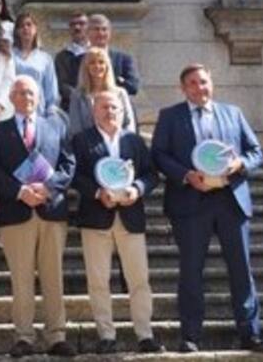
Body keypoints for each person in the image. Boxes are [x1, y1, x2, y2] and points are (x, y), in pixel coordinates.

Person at [151, 64, 263, 354]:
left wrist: (240, 163)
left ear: (211, 84)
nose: (199, 87)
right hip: (191, 202)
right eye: (192, 83)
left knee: (241, 270)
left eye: (203, 82)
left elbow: (257, 152)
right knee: (191, 271)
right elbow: (158, 155)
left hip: (231, 201)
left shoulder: (233, 113)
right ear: (183, 88)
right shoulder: (170, 116)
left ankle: (250, 333)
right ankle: (191, 335)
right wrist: (186, 175)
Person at [0, 75, 76, 358]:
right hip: (16, 212)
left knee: (53, 277)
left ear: (38, 97)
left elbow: (68, 164)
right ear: (11, 98)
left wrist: (48, 188)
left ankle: (56, 335)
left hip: (51, 211)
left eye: (31, 93)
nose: (26, 98)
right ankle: (23, 336)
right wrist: (20, 191)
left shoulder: (56, 127)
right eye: (21, 93)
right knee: (21, 278)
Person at [72, 91, 164, 355]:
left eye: (114, 107)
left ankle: (145, 334)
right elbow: (75, 175)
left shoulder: (134, 141)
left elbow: (151, 175)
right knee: (98, 281)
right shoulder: (82, 140)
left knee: (139, 279)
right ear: (94, 111)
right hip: (95, 218)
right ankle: (106, 335)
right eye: (104, 107)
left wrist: (137, 189)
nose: (109, 112)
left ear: (123, 112)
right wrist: (96, 192)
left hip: (130, 216)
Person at [69, 46, 136, 136]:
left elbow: (129, 123)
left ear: (107, 66)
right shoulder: (78, 96)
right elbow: (75, 128)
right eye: (92, 63)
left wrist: (124, 141)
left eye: (101, 62)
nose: (97, 66)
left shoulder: (120, 93)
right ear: (86, 67)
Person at [12, 12, 61, 118]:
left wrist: (51, 113)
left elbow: (51, 90)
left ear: (35, 29)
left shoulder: (45, 58)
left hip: (38, 112)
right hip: (13, 111)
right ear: (17, 31)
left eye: (29, 25)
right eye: (21, 26)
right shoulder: (10, 56)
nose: (25, 28)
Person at [87, 13, 140, 97]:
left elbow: (133, 87)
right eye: (96, 29)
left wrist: (108, 85)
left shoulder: (123, 59)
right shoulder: (80, 59)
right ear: (87, 33)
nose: (101, 33)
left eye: (104, 29)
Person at [53, 11, 90, 112]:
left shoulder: (96, 54)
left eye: (81, 24)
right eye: (73, 24)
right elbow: (61, 84)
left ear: (89, 27)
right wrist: (78, 97)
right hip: (69, 108)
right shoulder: (61, 57)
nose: (77, 27)